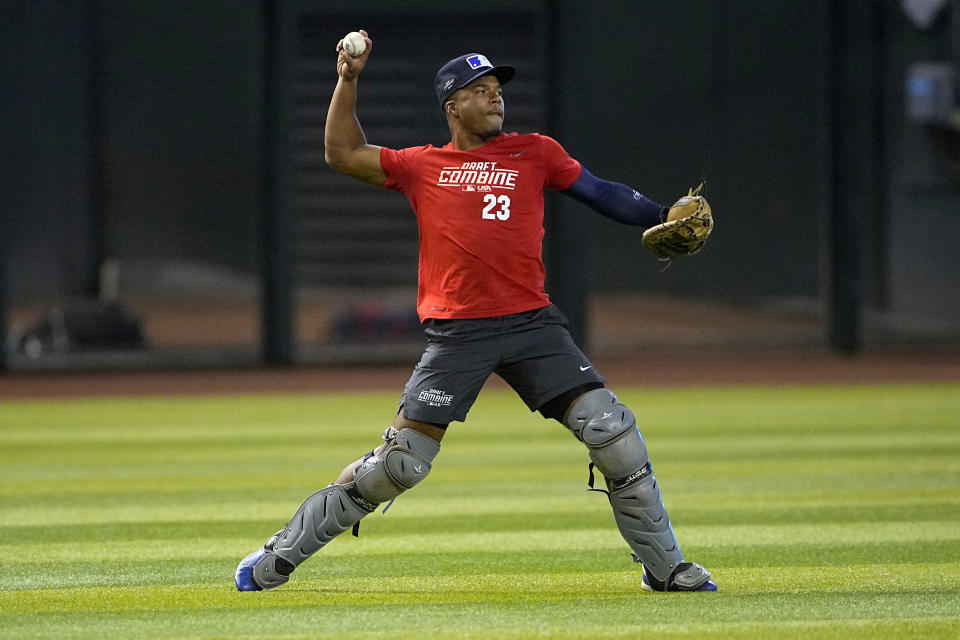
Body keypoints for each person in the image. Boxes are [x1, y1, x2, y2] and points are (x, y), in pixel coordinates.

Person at [235, 30, 716, 593]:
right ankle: (279, 554)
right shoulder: (421, 165)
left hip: (532, 324)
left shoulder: (535, 151)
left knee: (613, 432)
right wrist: (348, 80)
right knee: (399, 465)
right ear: (452, 106)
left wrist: (659, 213)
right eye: (479, 89)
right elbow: (340, 152)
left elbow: (599, 190)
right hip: (459, 334)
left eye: (496, 88)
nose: (495, 97)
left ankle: (665, 570)